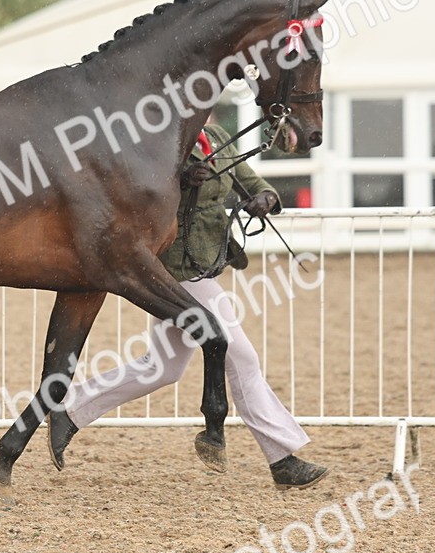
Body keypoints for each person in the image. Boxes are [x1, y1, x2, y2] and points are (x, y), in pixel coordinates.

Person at [47, 121, 329, 489]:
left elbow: (250, 179)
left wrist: (265, 197)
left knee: (162, 366)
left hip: (203, 264)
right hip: (177, 268)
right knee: (241, 357)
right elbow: (142, 192)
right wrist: (180, 178)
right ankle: (282, 459)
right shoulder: (161, 142)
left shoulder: (217, 138)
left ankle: (70, 412)